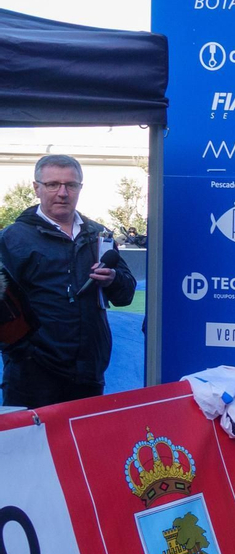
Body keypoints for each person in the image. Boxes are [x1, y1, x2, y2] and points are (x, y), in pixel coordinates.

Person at [0, 155, 137, 408]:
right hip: (32, 376)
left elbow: (125, 294)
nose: (62, 192)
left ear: (80, 188)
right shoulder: (12, 238)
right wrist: (23, 354)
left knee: (84, 446)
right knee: (31, 447)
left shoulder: (99, 234)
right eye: (53, 184)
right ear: (36, 188)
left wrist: (113, 279)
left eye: (71, 185)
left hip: (89, 371)